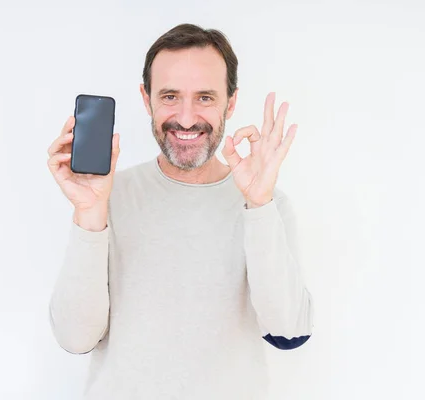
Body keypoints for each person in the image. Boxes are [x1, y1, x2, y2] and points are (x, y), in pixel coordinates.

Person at [47, 23, 314, 399]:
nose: (186, 119)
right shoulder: (107, 196)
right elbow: (75, 338)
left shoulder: (267, 205)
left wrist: (258, 204)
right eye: (170, 96)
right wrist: (89, 214)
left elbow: (288, 332)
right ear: (146, 98)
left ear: (231, 102)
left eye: (205, 98)